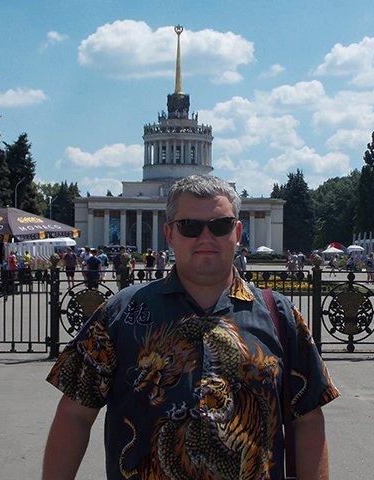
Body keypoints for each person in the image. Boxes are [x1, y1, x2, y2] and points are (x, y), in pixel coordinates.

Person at [43, 174, 339, 480]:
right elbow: (75, 415)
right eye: (189, 226)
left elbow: (307, 420)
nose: (206, 237)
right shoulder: (122, 313)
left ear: (238, 232)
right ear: (169, 233)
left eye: (220, 225)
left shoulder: (278, 315)